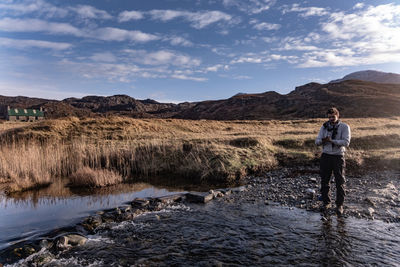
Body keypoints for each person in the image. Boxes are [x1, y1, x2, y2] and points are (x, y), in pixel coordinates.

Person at [315, 107, 351, 215]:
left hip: (338, 156)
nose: (331, 119)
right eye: (329, 117)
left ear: (337, 115)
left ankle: (339, 205)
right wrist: (322, 141)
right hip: (326, 156)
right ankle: (326, 203)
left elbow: (346, 142)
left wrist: (332, 141)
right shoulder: (324, 127)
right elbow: (317, 141)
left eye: (333, 117)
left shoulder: (345, 127)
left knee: (340, 181)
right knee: (324, 180)